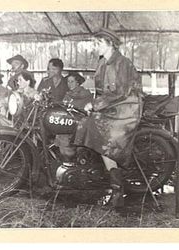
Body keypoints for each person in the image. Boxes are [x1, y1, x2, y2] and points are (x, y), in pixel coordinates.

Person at [73, 28, 143, 207]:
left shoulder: (122, 63)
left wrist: (95, 105)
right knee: (84, 123)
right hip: (112, 107)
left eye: (99, 43)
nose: (95, 46)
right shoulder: (103, 62)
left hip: (126, 109)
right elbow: (101, 90)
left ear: (110, 43)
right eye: (95, 43)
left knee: (102, 135)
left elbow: (119, 92)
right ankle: (105, 174)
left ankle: (117, 189)